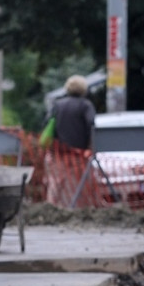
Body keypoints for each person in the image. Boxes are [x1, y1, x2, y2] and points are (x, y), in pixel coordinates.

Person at [44, 75, 96, 207]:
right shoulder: (86, 105)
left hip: (58, 153)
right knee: (77, 183)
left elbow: (48, 123)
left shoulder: (57, 104)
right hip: (79, 155)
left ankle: (52, 207)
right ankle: (76, 208)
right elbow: (91, 125)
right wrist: (91, 147)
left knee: (56, 182)